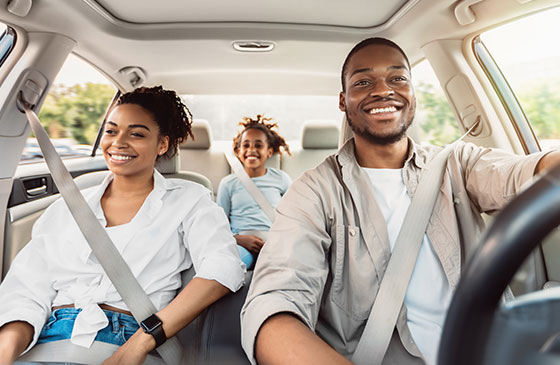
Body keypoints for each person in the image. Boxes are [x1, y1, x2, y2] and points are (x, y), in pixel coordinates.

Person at [240, 38, 560, 365]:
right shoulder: (314, 191)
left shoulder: (459, 164)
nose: (383, 90)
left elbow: (525, 173)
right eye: (363, 82)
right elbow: (275, 305)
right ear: (342, 100)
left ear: (412, 92)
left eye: (398, 79)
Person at [0, 86, 245, 364]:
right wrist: (6, 351)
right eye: (111, 130)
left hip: (130, 339)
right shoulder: (66, 207)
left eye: (137, 134)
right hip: (45, 341)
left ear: (162, 144)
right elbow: (26, 289)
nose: (118, 142)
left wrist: (141, 342)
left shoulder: (190, 200)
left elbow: (223, 267)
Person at [216, 115, 291, 269]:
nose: (251, 150)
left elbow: (293, 218)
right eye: (246, 145)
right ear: (238, 151)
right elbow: (218, 226)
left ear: (269, 152)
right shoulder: (228, 183)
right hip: (241, 243)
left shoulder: (282, 179)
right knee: (231, 265)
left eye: (258, 145)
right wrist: (238, 239)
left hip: (274, 243)